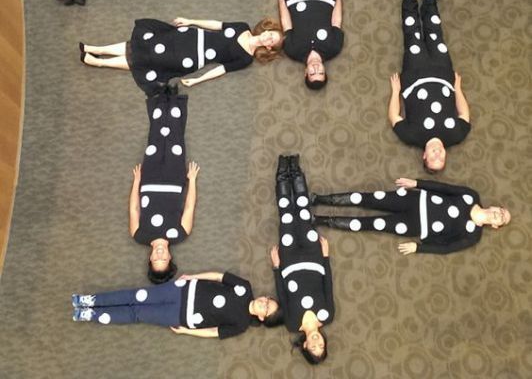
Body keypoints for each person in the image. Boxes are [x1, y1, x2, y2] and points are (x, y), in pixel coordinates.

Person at [79, 16, 283, 95]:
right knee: (144, 44)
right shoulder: (242, 27)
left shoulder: (246, 58)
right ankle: (98, 49)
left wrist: (197, 80)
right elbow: (216, 25)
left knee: (147, 59)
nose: (267, 38)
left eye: (271, 41)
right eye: (270, 34)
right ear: (266, 29)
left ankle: (98, 63)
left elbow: (221, 69)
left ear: (270, 48)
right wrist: (191, 20)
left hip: (190, 58)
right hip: (189, 37)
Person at [388, 0, 471, 172]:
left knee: (413, 38)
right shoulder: (455, 135)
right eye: (441, 158)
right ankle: (430, 3)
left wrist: (396, 91)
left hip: (414, 76)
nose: (437, 154)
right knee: (436, 37)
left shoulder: (412, 136)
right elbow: (465, 114)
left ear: (424, 155)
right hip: (443, 74)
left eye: (433, 158)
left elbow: (394, 116)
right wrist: (457, 89)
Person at [312, 177, 510, 255]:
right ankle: (319, 199)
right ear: (494, 206)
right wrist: (417, 183)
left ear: (495, 226)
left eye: (501, 219)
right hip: (413, 199)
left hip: (415, 226)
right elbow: (445, 188)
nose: (498, 215)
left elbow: (447, 248)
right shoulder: (471, 195)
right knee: (368, 198)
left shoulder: (473, 235)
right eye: (500, 211)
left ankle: (320, 220)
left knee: (371, 223)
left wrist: (418, 248)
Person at [72, 272, 279, 339]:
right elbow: (218, 276)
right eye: (268, 300)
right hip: (182, 289)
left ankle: (91, 315)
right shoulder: (244, 287)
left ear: (262, 317)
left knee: (139, 312)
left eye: (266, 308)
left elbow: (214, 332)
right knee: (138, 295)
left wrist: (187, 332)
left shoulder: (241, 324)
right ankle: (91, 300)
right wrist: (193, 276)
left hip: (182, 316)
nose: (264, 302)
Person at [270, 155, 334, 365]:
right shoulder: (327, 315)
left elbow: (282, 293)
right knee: (304, 215)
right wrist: (325, 256)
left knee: (287, 217)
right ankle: (295, 170)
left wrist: (276, 267)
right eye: (321, 345)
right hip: (314, 258)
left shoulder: (291, 323)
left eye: (313, 347)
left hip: (288, 263)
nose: (316, 342)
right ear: (324, 341)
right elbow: (328, 285)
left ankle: (281, 174)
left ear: (305, 346)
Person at [129, 90, 199, 284]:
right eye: (163, 259)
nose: (160, 255)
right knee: (175, 141)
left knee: (156, 141)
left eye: (156, 259)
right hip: (174, 182)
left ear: (150, 259)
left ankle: (159, 100)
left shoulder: (139, 235)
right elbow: (189, 207)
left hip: (149, 182)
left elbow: (134, 208)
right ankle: (175, 100)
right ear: (170, 258)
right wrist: (191, 180)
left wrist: (136, 182)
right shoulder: (180, 234)